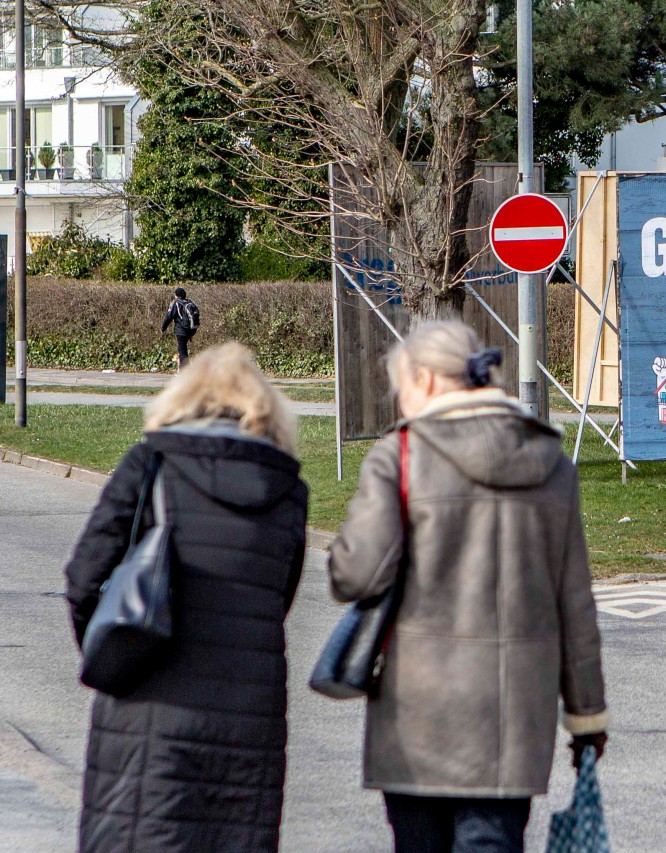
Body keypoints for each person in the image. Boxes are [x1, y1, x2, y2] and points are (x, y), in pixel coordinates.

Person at [329, 321, 609, 853]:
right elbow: (575, 605)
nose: (400, 401)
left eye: (401, 387)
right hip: (513, 721)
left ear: (428, 381)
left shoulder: (401, 456)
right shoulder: (550, 461)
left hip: (418, 717)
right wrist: (587, 717)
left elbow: (355, 575)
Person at [65, 342, 309, 853]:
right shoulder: (287, 488)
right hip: (248, 713)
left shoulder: (151, 463)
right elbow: (276, 597)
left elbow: (86, 575)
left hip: (149, 699)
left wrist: (112, 650)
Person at [160, 286, 199, 370]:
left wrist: (163, 327)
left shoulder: (176, 303)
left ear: (176, 295)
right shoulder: (189, 302)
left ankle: (185, 371)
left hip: (181, 331)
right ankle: (184, 369)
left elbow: (169, 316)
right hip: (191, 330)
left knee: (182, 350)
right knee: (183, 349)